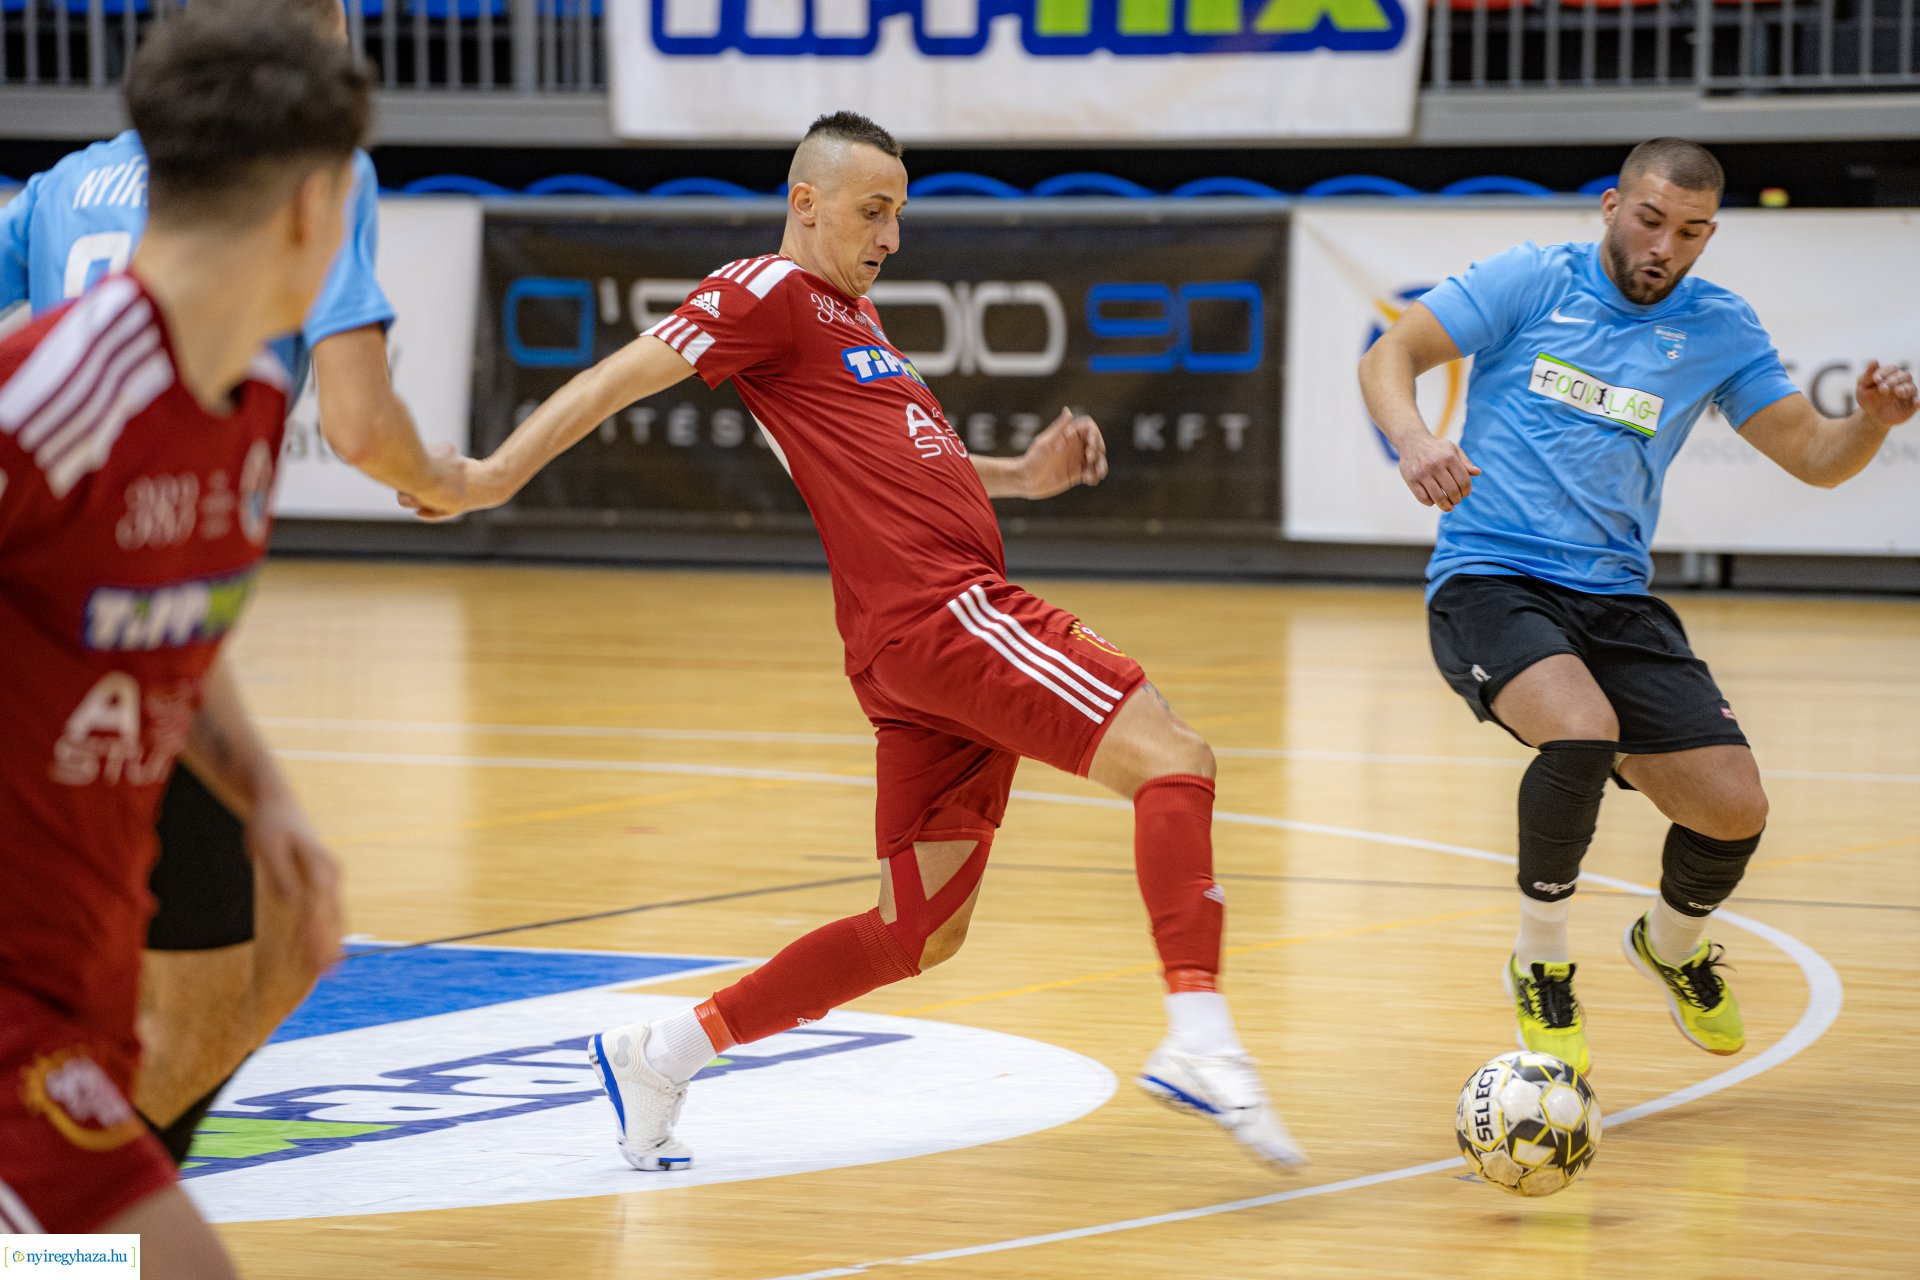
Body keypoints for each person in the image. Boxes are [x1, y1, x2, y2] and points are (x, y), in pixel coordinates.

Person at [407, 111, 1304, 1172]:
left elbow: (908, 465)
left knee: (918, 929)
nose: (891, 235)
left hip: (908, 650)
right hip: (944, 613)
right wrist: (490, 478)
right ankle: (1200, 1033)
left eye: (900, 215)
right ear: (807, 201)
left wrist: (1019, 474)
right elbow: (618, 376)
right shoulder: (766, 292)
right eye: (874, 211)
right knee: (1176, 757)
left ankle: (662, 1051)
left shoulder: (854, 325)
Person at [0, 0, 468, 1164]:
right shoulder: (60, 400)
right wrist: (458, 477)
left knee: (274, 963)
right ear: (319, 207)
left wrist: (266, 795)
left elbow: (170, 623)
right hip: (40, 850)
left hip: (110, 787)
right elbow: (363, 425)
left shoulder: (243, 409)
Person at [1358, 137, 1916, 1074]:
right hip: (1491, 576)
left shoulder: (1719, 327)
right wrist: (1414, 441)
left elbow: (1816, 459)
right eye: (1652, 221)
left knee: (1735, 811)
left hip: (1614, 597)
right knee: (1580, 729)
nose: (1666, 246)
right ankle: (1540, 961)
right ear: (1613, 206)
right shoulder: (1534, 281)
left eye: (1691, 232)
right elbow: (1393, 353)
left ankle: (1671, 942)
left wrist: (1868, 423)